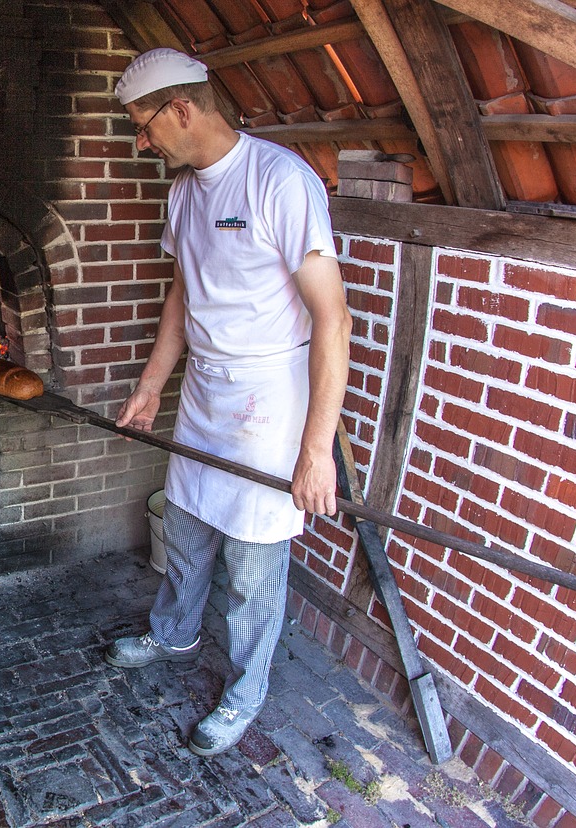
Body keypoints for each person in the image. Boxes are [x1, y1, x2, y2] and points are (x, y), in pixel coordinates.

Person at [104, 48, 353, 757]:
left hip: (271, 401)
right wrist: (152, 387)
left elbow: (332, 319)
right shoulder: (184, 194)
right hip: (209, 389)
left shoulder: (281, 181)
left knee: (251, 566)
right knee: (184, 526)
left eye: (144, 126)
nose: (142, 142)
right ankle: (174, 633)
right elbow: (183, 295)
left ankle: (245, 695)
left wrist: (315, 454)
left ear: (182, 108)